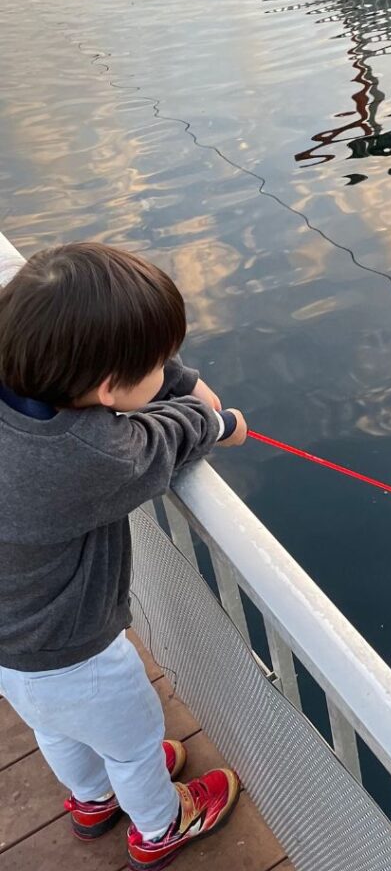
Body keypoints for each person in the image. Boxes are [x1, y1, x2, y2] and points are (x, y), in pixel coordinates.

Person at [0, 242, 246, 869]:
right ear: (109, 387)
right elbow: (169, 435)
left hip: (12, 649)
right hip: (76, 653)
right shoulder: (88, 457)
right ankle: (161, 826)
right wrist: (220, 423)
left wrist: (163, 369)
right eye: (157, 364)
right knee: (135, 744)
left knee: (54, 728)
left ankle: (92, 799)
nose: (166, 370)